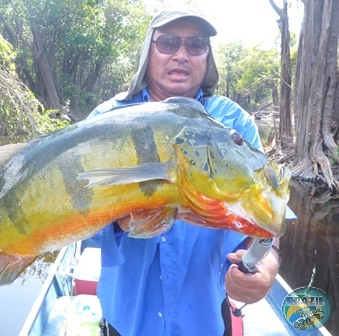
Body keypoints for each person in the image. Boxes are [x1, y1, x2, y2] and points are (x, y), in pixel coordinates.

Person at [87, 7, 281, 336]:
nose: (181, 55)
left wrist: (267, 262)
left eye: (195, 45)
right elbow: (76, 221)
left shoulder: (234, 126)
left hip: (205, 320)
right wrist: (124, 217)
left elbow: (265, 215)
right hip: (127, 322)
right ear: (148, 50)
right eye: (168, 42)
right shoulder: (107, 120)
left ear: (207, 57)